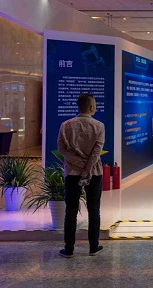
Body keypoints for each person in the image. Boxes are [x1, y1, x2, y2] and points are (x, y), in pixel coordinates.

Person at [57, 93, 105, 258]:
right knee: (94, 209)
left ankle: (69, 248)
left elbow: (62, 149)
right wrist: (87, 169)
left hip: (72, 173)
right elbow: (96, 152)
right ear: (91, 107)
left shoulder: (65, 125)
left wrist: (78, 164)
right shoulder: (99, 126)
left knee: (71, 209)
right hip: (94, 172)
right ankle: (93, 246)